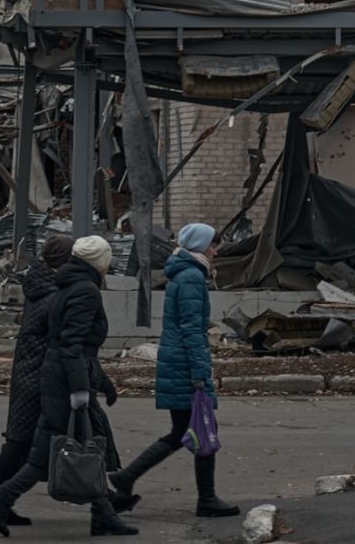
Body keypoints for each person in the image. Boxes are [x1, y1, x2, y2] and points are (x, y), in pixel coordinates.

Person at [0, 235, 138, 537]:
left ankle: (103, 507)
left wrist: (97, 379)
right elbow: (71, 344)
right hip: (51, 377)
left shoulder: (54, 288)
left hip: (50, 374)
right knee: (50, 445)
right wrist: (82, 384)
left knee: (73, 439)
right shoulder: (66, 293)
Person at [107, 222, 241, 518]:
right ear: (200, 246)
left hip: (177, 361)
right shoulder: (193, 276)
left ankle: (127, 477)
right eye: (212, 245)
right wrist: (199, 373)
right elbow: (192, 329)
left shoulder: (183, 273)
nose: (215, 251)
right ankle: (205, 499)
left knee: (187, 430)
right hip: (185, 364)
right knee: (202, 429)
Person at [0, 235, 74, 529]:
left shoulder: (40, 288)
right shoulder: (54, 296)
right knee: (23, 443)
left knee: (22, 441)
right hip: (39, 375)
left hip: (27, 372)